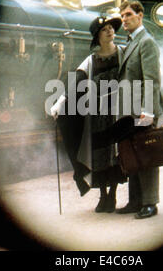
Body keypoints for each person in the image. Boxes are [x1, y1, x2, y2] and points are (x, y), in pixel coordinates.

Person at [51, 15, 126, 213]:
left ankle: (113, 195)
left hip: (118, 113)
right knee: (99, 154)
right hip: (98, 115)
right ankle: (103, 195)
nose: (110, 31)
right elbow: (76, 83)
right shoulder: (90, 61)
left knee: (116, 154)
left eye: (111, 27)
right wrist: (60, 102)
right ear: (97, 36)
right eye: (105, 29)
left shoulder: (124, 53)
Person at [115, 0, 163, 219]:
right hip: (129, 110)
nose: (124, 19)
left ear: (140, 16)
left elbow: (152, 80)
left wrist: (148, 112)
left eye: (128, 14)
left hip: (142, 110)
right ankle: (135, 200)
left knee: (147, 155)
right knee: (131, 155)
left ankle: (150, 203)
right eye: (122, 16)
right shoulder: (131, 42)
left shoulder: (146, 42)